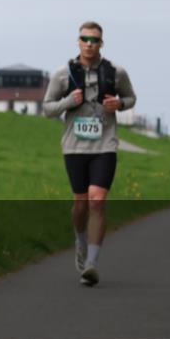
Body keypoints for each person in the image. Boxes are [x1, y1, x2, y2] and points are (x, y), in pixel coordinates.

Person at [43, 21, 136, 287]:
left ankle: (92, 263)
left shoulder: (116, 72)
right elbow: (48, 109)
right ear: (78, 41)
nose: (89, 44)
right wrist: (68, 102)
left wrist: (119, 104)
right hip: (75, 146)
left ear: (101, 43)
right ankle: (80, 239)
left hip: (105, 144)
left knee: (98, 201)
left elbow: (131, 98)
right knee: (81, 203)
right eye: (85, 39)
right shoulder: (63, 74)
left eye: (95, 40)